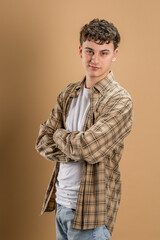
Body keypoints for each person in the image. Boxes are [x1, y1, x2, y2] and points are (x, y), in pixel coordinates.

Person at [35, 18, 133, 240]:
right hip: (61, 203)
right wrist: (76, 144)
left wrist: (58, 134)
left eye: (103, 53)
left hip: (91, 215)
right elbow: (42, 141)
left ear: (114, 55)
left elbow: (88, 149)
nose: (95, 59)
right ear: (80, 50)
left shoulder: (119, 100)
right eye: (90, 51)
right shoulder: (68, 94)